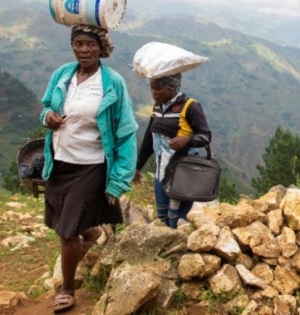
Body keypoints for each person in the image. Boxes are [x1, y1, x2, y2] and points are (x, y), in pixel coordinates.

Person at [40, 24, 138, 313]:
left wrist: (118, 180)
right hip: (59, 162)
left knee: (66, 229)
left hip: (90, 166)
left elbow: (126, 131)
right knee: (63, 218)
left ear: (101, 48)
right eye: (78, 43)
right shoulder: (62, 74)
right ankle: (92, 233)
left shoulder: (112, 83)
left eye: (90, 44)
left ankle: (67, 289)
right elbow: (46, 105)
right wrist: (47, 116)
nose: (83, 50)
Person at [134, 72, 212, 227]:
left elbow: (206, 136)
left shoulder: (190, 106)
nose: (154, 92)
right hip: (161, 173)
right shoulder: (157, 107)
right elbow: (149, 139)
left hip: (182, 174)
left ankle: (181, 248)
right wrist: (138, 166)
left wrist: (187, 139)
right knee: (162, 217)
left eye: (158, 89)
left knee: (176, 219)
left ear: (171, 87)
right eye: (152, 88)